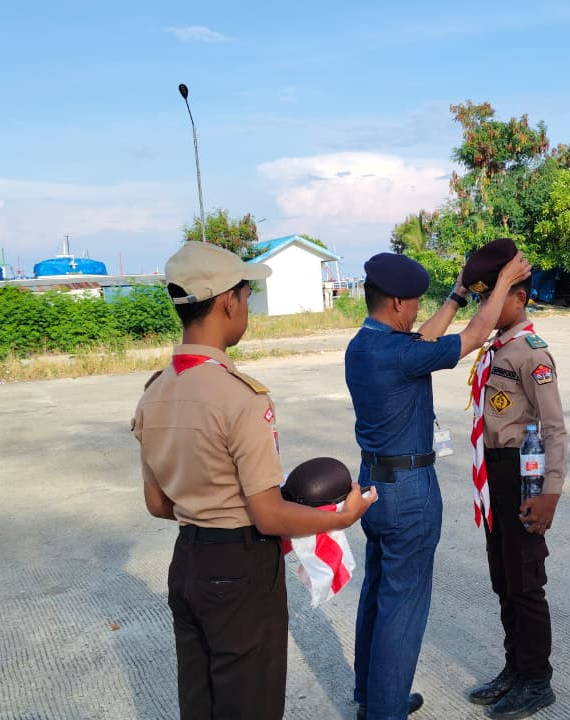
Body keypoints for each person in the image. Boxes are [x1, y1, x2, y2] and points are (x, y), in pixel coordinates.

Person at [132, 241, 377, 720]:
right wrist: (340, 518)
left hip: (187, 564)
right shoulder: (239, 397)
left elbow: (158, 505)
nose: (246, 307)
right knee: (250, 706)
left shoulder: (155, 392)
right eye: (246, 296)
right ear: (227, 300)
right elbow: (267, 515)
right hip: (240, 570)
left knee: (200, 703)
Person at [346, 249, 531, 720]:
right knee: (402, 606)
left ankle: (373, 695)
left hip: (374, 485)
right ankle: (386, 710)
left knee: (379, 590)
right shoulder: (401, 353)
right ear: (395, 305)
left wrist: (458, 293)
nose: (415, 314)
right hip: (408, 490)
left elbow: (425, 336)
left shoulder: (366, 345)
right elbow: (470, 336)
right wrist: (506, 278)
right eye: (411, 304)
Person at [460, 239, 567, 720]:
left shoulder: (532, 354)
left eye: (494, 297)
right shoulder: (495, 346)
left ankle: (536, 678)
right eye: (482, 298)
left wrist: (550, 493)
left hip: (523, 473)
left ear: (519, 298)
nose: (487, 307)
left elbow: (554, 428)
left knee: (526, 581)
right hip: (494, 476)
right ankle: (515, 667)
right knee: (503, 577)